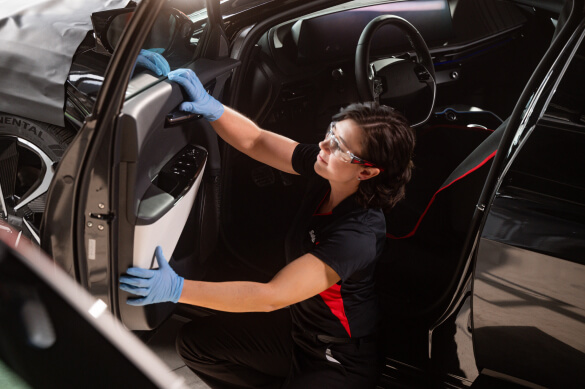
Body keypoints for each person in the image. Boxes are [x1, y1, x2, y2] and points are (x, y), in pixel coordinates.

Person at [119, 68, 415, 388]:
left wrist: (177, 289)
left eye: (339, 147)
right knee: (196, 344)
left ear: (367, 173)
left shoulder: (357, 235)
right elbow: (256, 140)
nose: (323, 145)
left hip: (337, 357)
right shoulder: (328, 169)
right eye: (332, 132)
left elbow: (270, 297)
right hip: (297, 335)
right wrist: (213, 108)